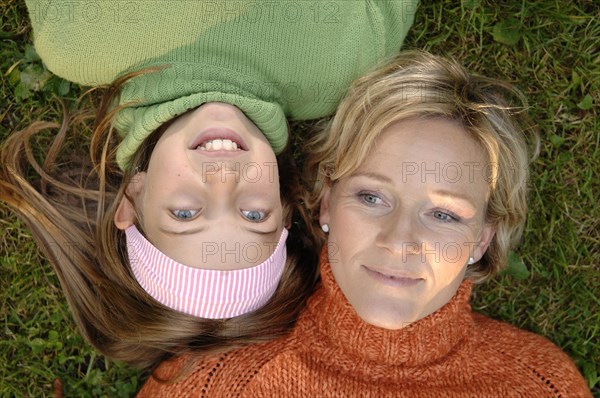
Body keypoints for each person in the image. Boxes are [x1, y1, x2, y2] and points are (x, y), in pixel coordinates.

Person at [137, 50, 592, 396]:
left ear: (482, 239)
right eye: (372, 197)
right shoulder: (211, 383)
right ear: (328, 204)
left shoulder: (539, 383)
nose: (400, 241)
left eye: (444, 214)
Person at [0, 0, 418, 368]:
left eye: (185, 213)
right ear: (285, 206)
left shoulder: (75, 39)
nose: (224, 178)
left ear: (133, 196)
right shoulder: (343, 61)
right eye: (254, 215)